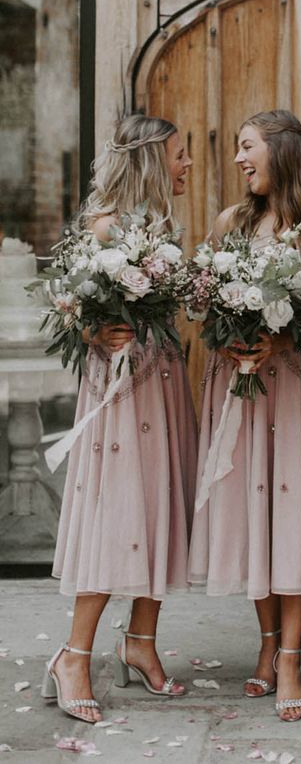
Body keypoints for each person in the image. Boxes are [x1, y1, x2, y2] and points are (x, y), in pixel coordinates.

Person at [44, 114, 198, 724]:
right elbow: (68, 311)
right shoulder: (105, 228)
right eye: (180, 155)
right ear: (150, 161)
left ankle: (140, 640)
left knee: (159, 505)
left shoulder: (164, 230)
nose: (188, 164)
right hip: (118, 388)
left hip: (160, 381)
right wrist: (89, 327)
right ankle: (73, 655)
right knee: (117, 513)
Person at [188, 109, 301, 723]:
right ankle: (267, 644)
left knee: (295, 515)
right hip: (241, 388)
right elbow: (205, 309)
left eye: (248, 147)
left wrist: (285, 336)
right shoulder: (231, 223)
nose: (240, 159)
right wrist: (227, 336)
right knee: (258, 515)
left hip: (297, 387)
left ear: (280, 148)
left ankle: (292, 656)